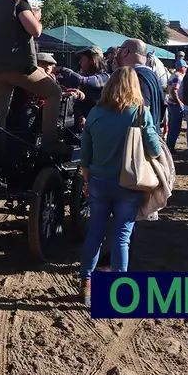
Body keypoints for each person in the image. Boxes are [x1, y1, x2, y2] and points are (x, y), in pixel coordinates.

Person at [79, 67, 162, 307]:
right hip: (129, 183)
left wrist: (87, 179)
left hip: (99, 181)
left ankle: (86, 282)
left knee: (94, 233)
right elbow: (154, 150)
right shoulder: (139, 113)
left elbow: (86, 154)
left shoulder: (95, 112)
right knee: (121, 236)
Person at [0, 0, 68, 156]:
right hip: (17, 66)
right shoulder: (20, 2)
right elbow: (35, 30)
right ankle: (49, 142)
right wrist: (37, 17)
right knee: (54, 92)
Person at [115, 39, 165, 133]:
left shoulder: (135, 76)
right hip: (151, 133)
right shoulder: (152, 75)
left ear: (125, 51)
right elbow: (163, 104)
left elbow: (137, 112)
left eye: (119, 50)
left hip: (137, 140)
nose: (116, 55)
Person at [56, 46, 109, 128]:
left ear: (92, 60)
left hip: (101, 123)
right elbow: (78, 103)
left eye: (82, 59)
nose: (80, 62)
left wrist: (61, 69)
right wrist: (80, 116)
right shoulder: (85, 75)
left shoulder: (106, 76)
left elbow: (83, 81)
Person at [165, 63, 187, 152]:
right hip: (175, 104)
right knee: (175, 127)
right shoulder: (179, 77)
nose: (186, 69)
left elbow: (168, 88)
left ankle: (169, 146)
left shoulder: (172, 75)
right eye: (185, 67)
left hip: (170, 102)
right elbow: (174, 90)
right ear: (182, 68)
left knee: (171, 126)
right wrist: (180, 102)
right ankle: (171, 148)